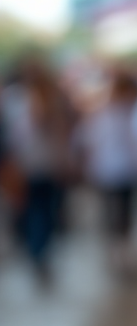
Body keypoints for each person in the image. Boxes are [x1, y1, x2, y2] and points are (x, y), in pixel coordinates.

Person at [0, 57, 74, 283]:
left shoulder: (16, 98)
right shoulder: (41, 98)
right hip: (39, 166)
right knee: (42, 212)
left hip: (29, 166)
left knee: (33, 211)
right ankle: (38, 251)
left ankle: (35, 249)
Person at [77, 70, 137, 274]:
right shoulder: (105, 115)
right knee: (118, 214)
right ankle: (119, 252)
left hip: (119, 172)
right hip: (112, 172)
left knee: (121, 214)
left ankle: (121, 251)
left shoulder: (118, 114)